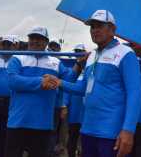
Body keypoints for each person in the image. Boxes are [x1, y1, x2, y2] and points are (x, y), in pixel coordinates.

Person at [47, 10, 141, 157]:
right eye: (92, 27)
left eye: (99, 26)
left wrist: (128, 130)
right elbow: (84, 88)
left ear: (112, 29)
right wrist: (60, 82)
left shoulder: (126, 53)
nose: (95, 30)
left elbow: (135, 93)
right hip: (88, 129)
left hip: (112, 133)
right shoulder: (91, 56)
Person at [5, 26, 84, 157]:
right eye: (32, 38)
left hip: (43, 123)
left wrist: (79, 64)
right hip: (18, 121)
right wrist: (40, 82)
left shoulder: (55, 62)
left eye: (40, 39)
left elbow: (69, 79)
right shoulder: (17, 58)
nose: (35, 41)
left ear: (46, 42)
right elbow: (12, 81)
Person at [64, 44, 87, 157]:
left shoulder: (89, 71)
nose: (78, 53)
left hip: (86, 114)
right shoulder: (71, 71)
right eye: (76, 51)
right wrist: (65, 104)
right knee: (72, 137)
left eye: (80, 51)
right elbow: (67, 90)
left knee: (84, 140)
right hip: (74, 113)